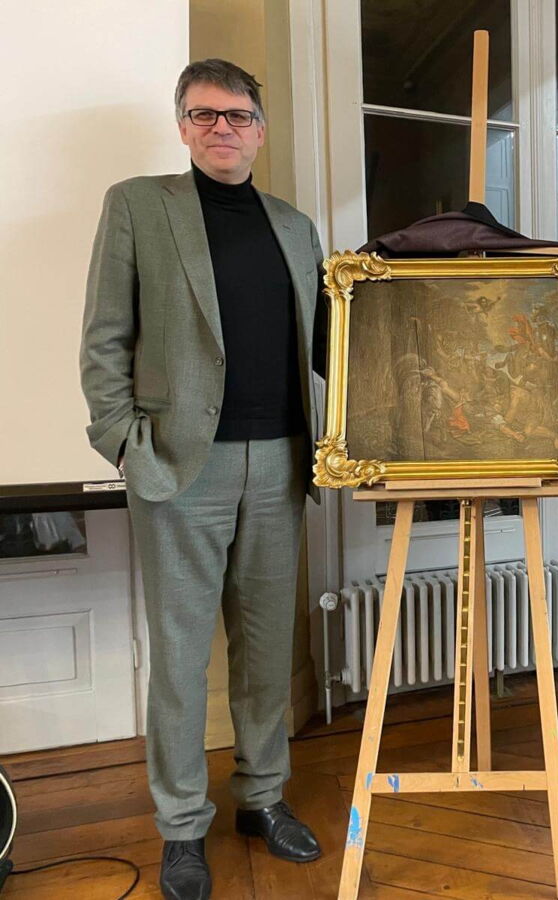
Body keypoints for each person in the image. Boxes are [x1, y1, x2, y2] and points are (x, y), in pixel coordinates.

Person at [80, 59, 327, 900]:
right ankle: (183, 825)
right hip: (181, 468)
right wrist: (122, 442)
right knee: (182, 660)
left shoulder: (294, 226)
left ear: (261, 128)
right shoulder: (138, 206)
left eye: (238, 115)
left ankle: (262, 798)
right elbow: (104, 338)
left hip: (281, 463)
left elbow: (328, 347)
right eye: (204, 114)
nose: (222, 128)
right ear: (183, 126)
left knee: (265, 651)